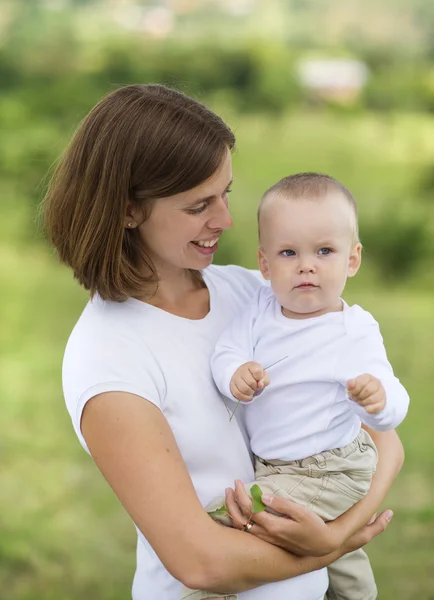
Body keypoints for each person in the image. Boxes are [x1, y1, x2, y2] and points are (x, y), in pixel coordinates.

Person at [42, 84, 403, 600]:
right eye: (198, 206)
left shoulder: (252, 295)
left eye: (226, 193)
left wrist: (337, 535)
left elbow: (381, 439)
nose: (226, 221)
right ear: (127, 211)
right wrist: (332, 544)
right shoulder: (108, 360)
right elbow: (202, 563)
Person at [182, 173, 409, 600]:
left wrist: (379, 401)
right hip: (277, 465)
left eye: (325, 251)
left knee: (235, 518)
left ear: (352, 260)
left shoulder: (352, 330)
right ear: (265, 265)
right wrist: (236, 374)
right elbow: (226, 352)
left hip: (330, 465)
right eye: (289, 252)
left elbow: (395, 400)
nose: (307, 265)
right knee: (344, 565)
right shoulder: (261, 308)